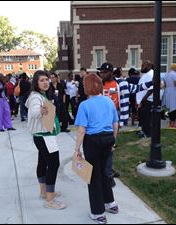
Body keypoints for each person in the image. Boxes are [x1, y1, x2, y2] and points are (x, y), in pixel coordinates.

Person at [74, 73, 119, 224]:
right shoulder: (108, 101)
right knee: (105, 173)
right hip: (108, 139)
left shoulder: (84, 105)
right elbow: (115, 124)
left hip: (92, 141)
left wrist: (77, 149)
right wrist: (113, 141)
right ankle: (110, 203)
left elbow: (81, 130)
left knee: (93, 177)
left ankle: (98, 213)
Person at [25, 70, 66, 210]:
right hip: (44, 137)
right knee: (54, 164)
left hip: (43, 136)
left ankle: (44, 192)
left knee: (42, 162)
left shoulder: (42, 95)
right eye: (41, 80)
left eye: (46, 80)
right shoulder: (36, 97)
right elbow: (35, 111)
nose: (45, 82)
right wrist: (40, 111)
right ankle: (50, 200)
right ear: (36, 83)